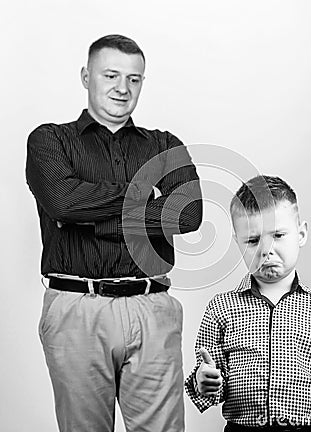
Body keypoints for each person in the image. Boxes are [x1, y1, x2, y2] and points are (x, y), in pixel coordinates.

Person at [26, 34, 202, 432]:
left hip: (152, 306)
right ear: (87, 76)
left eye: (134, 79)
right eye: (111, 75)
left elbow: (188, 214)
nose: (123, 88)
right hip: (77, 308)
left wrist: (94, 215)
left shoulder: (164, 145)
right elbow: (63, 203)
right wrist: (146, 198)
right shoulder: (50, 140)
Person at [185, 175, 311, 431]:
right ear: (238, 243)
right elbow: (212, 379)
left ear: (300, 234)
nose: (266, 250)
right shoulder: (221, 308)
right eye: (253, 240)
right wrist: (205, 382)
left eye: (278, 235)